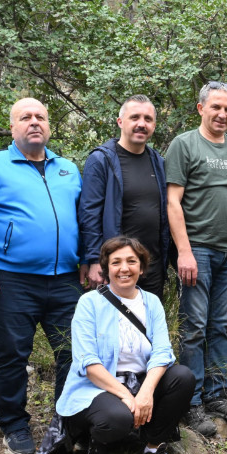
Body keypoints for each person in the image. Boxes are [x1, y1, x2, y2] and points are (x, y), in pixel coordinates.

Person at [0, 97, 83, 454]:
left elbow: (84, 218)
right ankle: (14, 425)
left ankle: (67, 420)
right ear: (12, 127)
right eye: (25, 118)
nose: (34, 123)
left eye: (41, 117)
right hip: (11, 278)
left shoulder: (68, 169)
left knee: (74, 352)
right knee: (12, 354)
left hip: (66, 279)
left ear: (50, 126)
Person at [164, 81, 227, 437]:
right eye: (216, 107)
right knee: (194, 328)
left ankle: (217, 394)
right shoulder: (185, 144)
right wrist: (184, 252)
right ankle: (190, 403)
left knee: (222, 325)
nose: (222, 114)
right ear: (201, 107)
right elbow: (173, 202)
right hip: (198, 251)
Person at [57, 237, 194, 454]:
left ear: (141, 268)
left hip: (140, 382)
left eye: (132, 261)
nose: (124, 268)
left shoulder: (151, 302)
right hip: (98, 387)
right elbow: (88, 363)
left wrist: (146, 393)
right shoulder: (89, 303)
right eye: (116, 262)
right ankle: (97, 443)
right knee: (118, 416)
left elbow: (163, 352)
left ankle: (152, 449)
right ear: (106, 268)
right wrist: (127, 396)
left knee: (182, 377)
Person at [79, 95, 171, 300]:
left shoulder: (158, 162)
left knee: (147, 328)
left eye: (148, 119)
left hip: (151, 267)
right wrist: (95, 260)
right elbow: (89, 214)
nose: (141, 124)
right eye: (135, 117)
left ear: (154, 125)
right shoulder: (101, 160)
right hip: (116, 267)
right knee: (113, 328)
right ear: (120, 122)